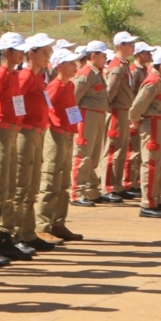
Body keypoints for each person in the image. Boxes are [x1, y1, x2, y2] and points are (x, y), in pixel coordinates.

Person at [0, 32, 33, 263]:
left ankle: (5, 238)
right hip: (1, 132)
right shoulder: (1, 73)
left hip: (12, 132)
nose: (22, 53)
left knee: (10, 189)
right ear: (7, 52)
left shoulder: (13, 74)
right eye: (18, 49)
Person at [37, 48, 86, 240]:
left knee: (63, 181)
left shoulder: (69, 86)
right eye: (71, 63)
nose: (75, 66)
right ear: (60, 66)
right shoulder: (55, 86)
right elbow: (46, 107)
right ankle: (43, 225)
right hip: (56, 134)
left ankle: (58, 223)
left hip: (67, 134)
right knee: (51, 179)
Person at [14, 33, 57, 251]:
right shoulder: (24, 77)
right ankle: (16, 234)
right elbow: (15, 103)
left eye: (48, 52)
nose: (47, 56)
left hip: (37, 132)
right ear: (31, 54)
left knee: (31, 186)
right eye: (43, 52)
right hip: (24, 132)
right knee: (21, 186)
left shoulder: (40, 77)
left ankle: (28, 233)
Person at [130, 50, 161, 217]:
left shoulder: (160, 80)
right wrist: (135, 119)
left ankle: (156, 200)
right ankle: (148, 203)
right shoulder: (153, 81)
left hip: (158, 122)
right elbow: (139, 104)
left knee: (158, 164)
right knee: (150, 163)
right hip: (152, 123)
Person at [71, 41, 111, 207]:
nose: (106, 58)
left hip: (97, 116)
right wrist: (73, 123)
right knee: (83, 155)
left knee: (93, 156)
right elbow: (73, 98)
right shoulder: (86, 73)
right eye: (103, 55)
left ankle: (91, 190)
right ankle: (77, 193)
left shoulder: (97, 72)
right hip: (86, 116)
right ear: (93, 56)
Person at [100, 31, 138, 202]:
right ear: (120, 46)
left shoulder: (124, 64)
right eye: (129, 44)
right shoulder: (116, 66)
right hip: (116, 110)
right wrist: (108, 109)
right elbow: (110, 91)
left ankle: (117, 184)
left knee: (121, 149)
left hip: (123, 110)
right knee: (113, 149)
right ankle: (109, 186)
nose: (133, 46)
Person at [124, 42, 154, 196]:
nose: (150, 55)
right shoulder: (135, 71)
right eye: (146, 52)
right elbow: (133, 94)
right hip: (136, 114)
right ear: (139, 54)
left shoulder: (144, 70)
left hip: (142, 113)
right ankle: (129, 182)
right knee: (133, 150)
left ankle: (135, 181)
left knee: (138, 150)